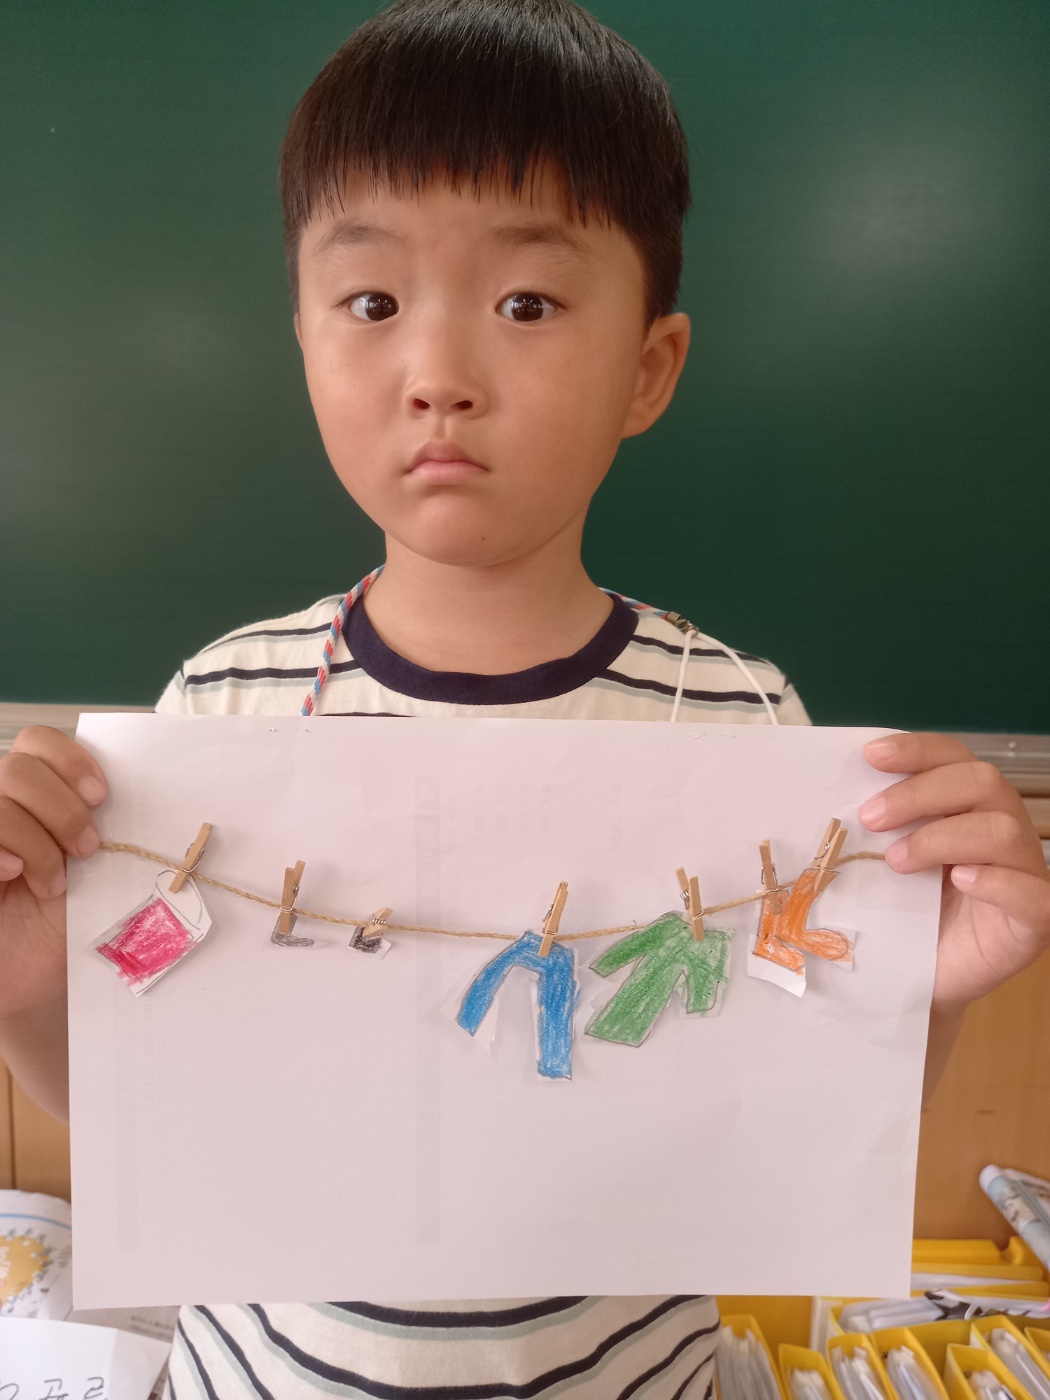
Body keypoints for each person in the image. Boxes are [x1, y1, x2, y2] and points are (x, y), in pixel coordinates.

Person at [1, 0, 1047, 1394]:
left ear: (648, 370)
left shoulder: (735, 723)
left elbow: (793, 1110)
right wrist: (26, 998)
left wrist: (933, 989)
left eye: (528, 305)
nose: (438, 377)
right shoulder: (216, 712)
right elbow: (144, 1108)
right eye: (372, 304)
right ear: (304, 337)